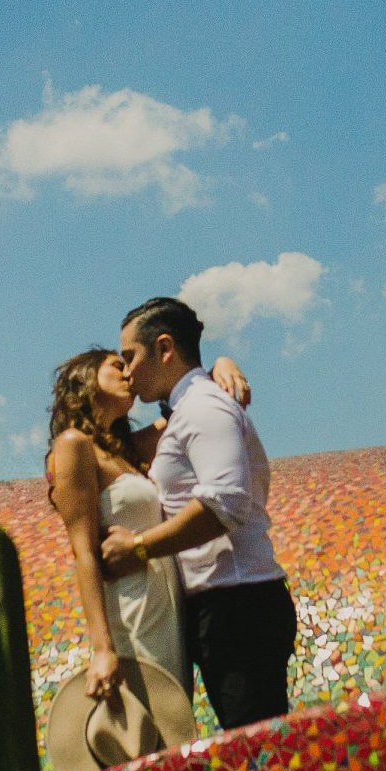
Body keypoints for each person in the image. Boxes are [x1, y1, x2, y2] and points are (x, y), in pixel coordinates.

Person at [101, 297, 297, 731]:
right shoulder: (187, 410)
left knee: (256, 747)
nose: (128, 372)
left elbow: (224, 503)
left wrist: (138, 548)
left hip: (237, 602)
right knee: (250, 742)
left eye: (130, 357)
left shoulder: (204, 408)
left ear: (165, 348)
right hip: (222, 604)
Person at [43, 345, 252, 709]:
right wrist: (102, 648)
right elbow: (83, 551)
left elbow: (188, 406)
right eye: (116, 366)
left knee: (175, 716)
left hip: (166, 603)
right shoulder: (74, 446)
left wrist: (221, 363)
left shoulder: (127, 450)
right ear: (87, 378)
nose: (128, 373)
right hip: (130, 606)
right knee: (149, 717)